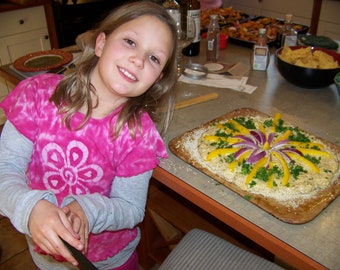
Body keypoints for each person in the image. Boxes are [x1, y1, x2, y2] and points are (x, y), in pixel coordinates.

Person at [0, 1, 178, 269]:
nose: (138, 60)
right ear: (101, 44)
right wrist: (32, 208)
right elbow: (4, 169)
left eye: (154, 58)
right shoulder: (36, 96)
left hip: (111, 261)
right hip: (45, 256)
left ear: (158, 77)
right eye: (130, 42)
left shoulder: (139, 135)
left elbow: (130, 207)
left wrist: (88, 210)